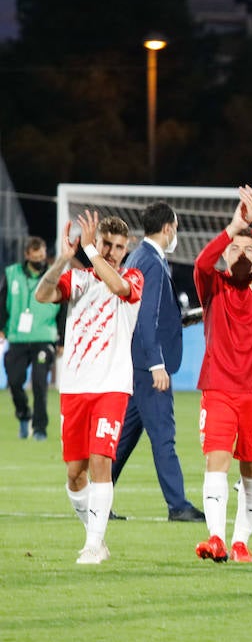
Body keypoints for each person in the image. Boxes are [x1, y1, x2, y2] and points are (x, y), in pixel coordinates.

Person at [35, 212, 143, 564]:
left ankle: (94, 545)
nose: (112, 252)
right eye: (106, 244)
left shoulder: (132, 277)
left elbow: (119, 288)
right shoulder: (78, 279)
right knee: (74, 474)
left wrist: (90, 252)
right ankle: (94, 536)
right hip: (76, 387)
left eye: (118, 247)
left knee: (101, 462)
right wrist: (65, 258)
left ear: (127, 250)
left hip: (111, 386)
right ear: (97, 243)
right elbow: (42, 294)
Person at [192, 187, 252, 564]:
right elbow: (201, 264)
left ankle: (241, 541)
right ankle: (215, 537)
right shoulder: (213, 286)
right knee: (217, 461)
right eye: (235, 249)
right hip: (218, 388)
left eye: (250, 249)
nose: (243, 253)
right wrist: (232, 228)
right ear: (225, 258)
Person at [110, 204, 205, 521]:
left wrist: (185, 319)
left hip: (136, 364)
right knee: (164, 435)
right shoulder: (150, 261)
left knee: (124, 438)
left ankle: (94, 496)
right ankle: (178, 505)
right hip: (147, 366)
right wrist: (156, 365)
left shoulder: (142, 257)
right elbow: (145, 317)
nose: (175, 234)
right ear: (167, 228)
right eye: (175, 228)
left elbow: (153, 314)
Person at [3, 236, 60, 441]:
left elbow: (62, 309)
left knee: (39, 382)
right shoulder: (12, 274)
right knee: (15, 382)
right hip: (17, 336)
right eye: (36, 257)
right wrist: (1, 327)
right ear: (27, 255)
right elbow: (2, 301)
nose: (40, 260)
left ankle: (39, 429)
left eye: (42, 256)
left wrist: (61, 340)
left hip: (44, 337)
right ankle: (24, 414)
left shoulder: (54, 276)